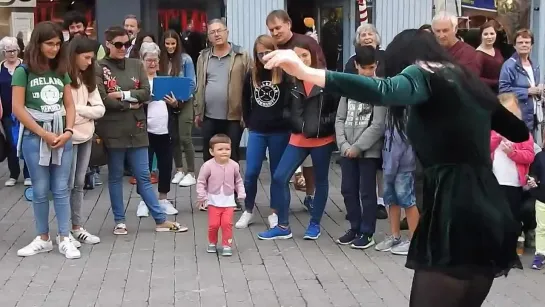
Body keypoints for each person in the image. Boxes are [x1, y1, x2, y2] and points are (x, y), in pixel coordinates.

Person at [262, 28, 529, 306]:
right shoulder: (465, 79)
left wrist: (307, 72)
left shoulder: (422, 72)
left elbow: (383, 90)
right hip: (488, 206)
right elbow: (519, 131)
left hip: (454, 210)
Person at [96, 26, 187, 235]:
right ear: (107, 44)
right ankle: (120, 221)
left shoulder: (136, 64)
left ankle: (160, 219)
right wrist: (129, 102)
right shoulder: (99, 67)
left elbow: (146, 93)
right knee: (116, 176)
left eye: (126, 44)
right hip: (113, 129)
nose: (122, 48)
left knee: (144, 176)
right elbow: (102, 98)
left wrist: (121, 95)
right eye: (118, 44)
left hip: (137, 128)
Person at [257, 40, 339, 241]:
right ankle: (283, 226)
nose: (301, 59)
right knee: (279, 177)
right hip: (297, 138)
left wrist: (320, 125)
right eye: (298, 56)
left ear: (313, 55)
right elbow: (285, 108)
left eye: (305, 55)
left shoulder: (326, 79)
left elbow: (336, 111)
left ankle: (314, 224)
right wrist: (296, 123)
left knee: (320, 182)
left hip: (322, 139)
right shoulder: (291, 79)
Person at [12, 21, 79, 259]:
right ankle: (43, 237)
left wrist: (69, 131)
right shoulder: (24, 71)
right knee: (40, 189)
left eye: (58, 44)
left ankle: (64, 237)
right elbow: (18, 108)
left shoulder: (61, 69)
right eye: (49, 44)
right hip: (35, 136)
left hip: (62, 132)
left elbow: (69, 104)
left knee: (61, 188)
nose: (54, 48)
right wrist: (43, 133)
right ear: (37, 44)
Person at [235, 35, 291, 229]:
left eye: (268, 52)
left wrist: (286, 121)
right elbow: (244, 100)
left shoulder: (283, 73)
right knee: (251, 172)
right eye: (261, 54)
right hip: (257, 131)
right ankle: (248, 210)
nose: (264, 57)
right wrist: (249, 122)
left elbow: (290, 101)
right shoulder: (252, 74)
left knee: (277, 174)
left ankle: (275, 212)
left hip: (279, 131)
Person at [334, 45, 386, 249]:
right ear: (355, 65)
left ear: (377, 65)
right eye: (363, 67)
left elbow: (378, 124)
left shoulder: (380, 87)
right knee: (348, 189)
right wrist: (344, 144)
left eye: (371, 67)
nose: (367, 72)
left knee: (366, 192)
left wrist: (358, 146)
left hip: (368, 151)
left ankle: (367, 232)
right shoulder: (349, 86)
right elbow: (340, 118)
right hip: (347, 149)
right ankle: (354, 227)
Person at [66, 37, 105, 246]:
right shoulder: (63, 77)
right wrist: (81, 113)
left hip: (86, 137)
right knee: (67, 184)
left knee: (79, 183)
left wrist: (77, 111)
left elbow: (100, 109)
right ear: (74, 55)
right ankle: (65, 231)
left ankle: (77, 227)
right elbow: (63, 111)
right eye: (86, 57)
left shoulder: (88, 79)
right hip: (67, 138)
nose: (90, 62)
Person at [194, 19, 250, 164]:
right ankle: (211, 185)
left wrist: (248, 113)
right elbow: (199, 85)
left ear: (227, 32)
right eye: (212, 32)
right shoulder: (203, 56)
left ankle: (231, 186)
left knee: (231, 156)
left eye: (219, 31)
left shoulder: (241, 55)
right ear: (208, 36)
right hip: (209, 116)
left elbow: (251, 84)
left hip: (234, 117)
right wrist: (197, 110)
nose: (216, 34)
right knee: (209, 155)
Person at [135, 42, 179, 217]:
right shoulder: (139, 82)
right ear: (142, 61)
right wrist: (143, 101)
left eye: (155, 60)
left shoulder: (165, 81)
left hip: (164, 130)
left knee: (166, 165)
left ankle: (163, 199)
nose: (152, 64)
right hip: (145, 130)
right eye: (149, 60)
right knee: (143, 168)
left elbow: (176, 105)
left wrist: (174, 103)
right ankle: (144, 201)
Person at [491, 93, 535, 247]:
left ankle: (510, 245)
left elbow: (529, 156)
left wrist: (513, 153)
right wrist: (497, 136)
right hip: (494, 181)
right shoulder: (492, 131)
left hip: (513, 183)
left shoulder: (523, 134)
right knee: (494, 215)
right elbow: (483, 149)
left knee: (512, 215)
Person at [374, 109, 418, 255]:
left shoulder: (405, 115)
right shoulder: (389, 113)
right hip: (389, 166)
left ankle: (415, 241)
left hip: (403, 167)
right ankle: (395, 236)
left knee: (408, 202)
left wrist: (390, 169)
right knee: (392, 200)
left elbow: (399, 147)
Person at [196, 134, 246, 257]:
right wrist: (201, 196)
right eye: (220, 149)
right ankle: (212, 242)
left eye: (227, 149)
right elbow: (201, 181)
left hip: (228, 200)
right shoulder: (207, 166)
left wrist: (241, 192)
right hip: (213, 200)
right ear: (211, 151)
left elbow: (238, 180)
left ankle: (226, 245)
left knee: (227, 224)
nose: (224, 152)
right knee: (213, 225)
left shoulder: (234, 165)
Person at [159, 29, 197, 188]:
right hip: (167, 102)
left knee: (185, 137)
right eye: (167, 44)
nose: (170, 47)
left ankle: (191, 172)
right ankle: (179, 169)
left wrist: (180, 100)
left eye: (173, 43)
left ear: (177, 43)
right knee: (173, 137)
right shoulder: (160, 60)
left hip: (184, 101)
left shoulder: (185, 59)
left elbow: (192, 83)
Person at [499, 29, 542, 144]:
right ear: (514, 45)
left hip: (533, 116)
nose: (524, 45)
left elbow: (533, 87)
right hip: (518, 115)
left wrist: (539, 89)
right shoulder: (508, 66)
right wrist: (526, 91)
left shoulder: (535, 64)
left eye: (527, 42)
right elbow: (503, 92)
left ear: (531, 45)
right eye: (520, 42)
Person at [0, 36, 31, 187]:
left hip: (25, 111)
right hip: (6, 113)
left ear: (18, 51)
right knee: (11, 143)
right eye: (8, 51)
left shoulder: (25, 67)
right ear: (3, 52)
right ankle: (13, 174)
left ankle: (28, 174)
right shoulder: (0, 68)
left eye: (14, 50)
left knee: (26, 141)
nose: (11, 53)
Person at [528, 142, 545, 269]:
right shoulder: (540, 156)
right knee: (541, 228)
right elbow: (533, 173)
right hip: (542, 198)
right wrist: (532, 179)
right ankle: (540, 254)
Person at [475, 21, 504, 93]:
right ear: (481, 36)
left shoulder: (497, 51)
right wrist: (497, 82)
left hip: (500, 91)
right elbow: (476, 79)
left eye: (492, 34)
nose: (489, 37)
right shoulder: (478, 54)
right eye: (485, 34)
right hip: (486, 93)